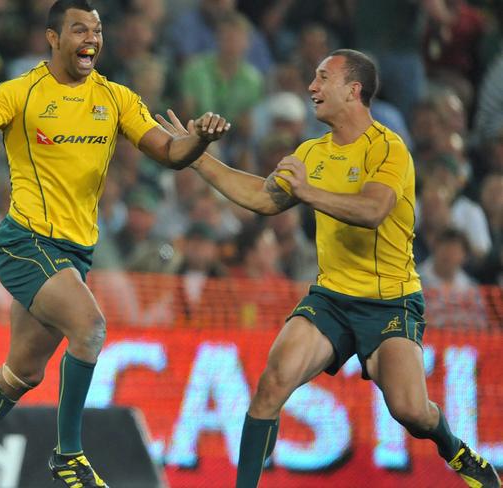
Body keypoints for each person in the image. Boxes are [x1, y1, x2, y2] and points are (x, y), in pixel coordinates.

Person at [156, 49, 501, 487]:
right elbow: (264, 198)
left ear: (353, 90)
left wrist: (308, 191)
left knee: (411, 411)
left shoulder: (389, 149)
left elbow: (373, 210)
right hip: (332, 297)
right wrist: (198, 155)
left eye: (323, 78)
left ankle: (456, 451)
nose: (312, 87)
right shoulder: (312, 152)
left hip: (389, 301)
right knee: (271, 383)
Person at [0, 1, 230, 487]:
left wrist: (199, 141)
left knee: (22, 373)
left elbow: (170, 153)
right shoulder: (20, 92)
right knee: (90, 328)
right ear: (52, 37)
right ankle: (68, 454)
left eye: (98, 30)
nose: (92, 38)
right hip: (25, 242)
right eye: (79, 29)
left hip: (73, 253)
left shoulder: (116, 98)